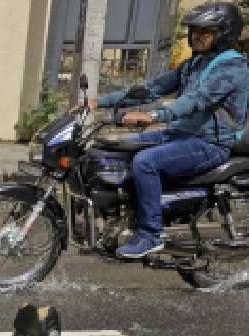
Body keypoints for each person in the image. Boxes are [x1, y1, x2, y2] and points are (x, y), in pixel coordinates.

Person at [95, 2, 249, 260]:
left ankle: (150, 234)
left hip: (210, 143)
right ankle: (122, 219)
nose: (196, 36)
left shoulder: (232, 67)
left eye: (205, 31)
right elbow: (152, 89)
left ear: (224, 33)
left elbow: (195, 100)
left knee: (146, 162)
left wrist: (154, 115)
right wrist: (98, 102)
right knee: (114, 149)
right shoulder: (194, 64)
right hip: (180, 135)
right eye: (194, 30)